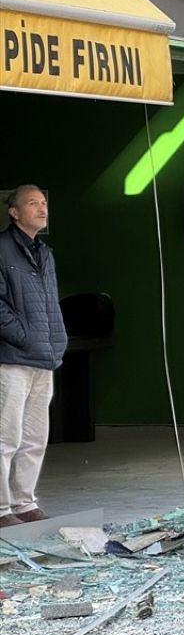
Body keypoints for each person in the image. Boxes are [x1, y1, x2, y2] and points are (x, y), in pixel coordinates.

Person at [0, 185, 67, 526]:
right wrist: (24, 335)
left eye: (44, 202)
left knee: (35, 437)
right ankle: (1, 509)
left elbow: (50, 304)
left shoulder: (45, 253)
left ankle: (25, 502)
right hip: (12, 358)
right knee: (5, 436)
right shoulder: (1, 249)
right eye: (32, 203)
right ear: (14, 212)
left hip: (43, 357)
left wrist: (58, 340)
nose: (42, 208)